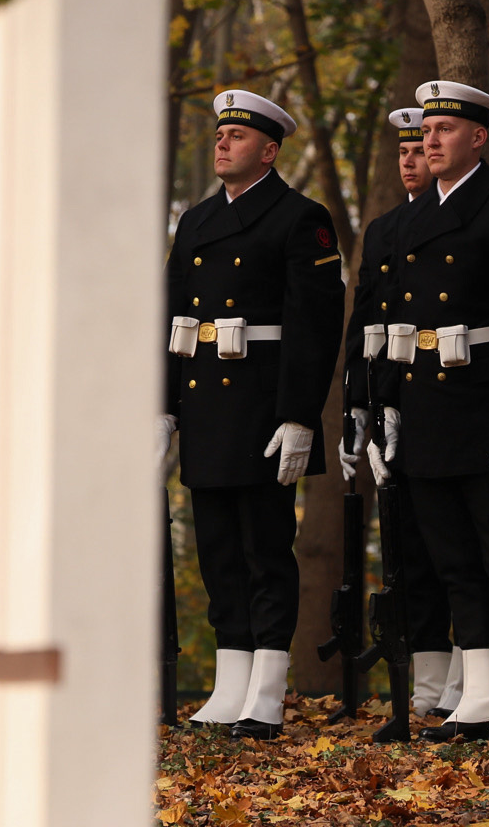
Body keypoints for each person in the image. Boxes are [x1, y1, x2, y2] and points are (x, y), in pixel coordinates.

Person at [370, 80, 489, 742]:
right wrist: (386, 403)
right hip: (424, 405)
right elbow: (393, 322)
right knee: (453, 560)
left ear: (478, 138)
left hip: (485, 407)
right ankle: (479, 694)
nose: (430, 140)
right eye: (426, 129)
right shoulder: (410, 220)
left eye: (444, 129)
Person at [162, 89, 344, 739]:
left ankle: (266, 689)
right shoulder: (197, 221)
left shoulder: (300, 218)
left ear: (268, 151)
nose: (222, 143)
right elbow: (171, 320)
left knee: (265, 550)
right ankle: (229, 682)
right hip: (207, 404)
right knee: (217, 552)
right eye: (219, 134)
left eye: (236, 136)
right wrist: (164, 408)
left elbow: (314, 327)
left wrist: (299, 417)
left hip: (265, 408)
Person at [344, 107, 457, 714]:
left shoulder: (447, 222)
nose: (411, 161)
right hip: (393, 400)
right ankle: (432, 680)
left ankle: (466, 675)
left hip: (444, 395)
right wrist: (358, 405)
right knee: (408, 547)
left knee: (451, 547)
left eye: (420, 150)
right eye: (404, 152)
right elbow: (365, 324)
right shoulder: (385, 229)